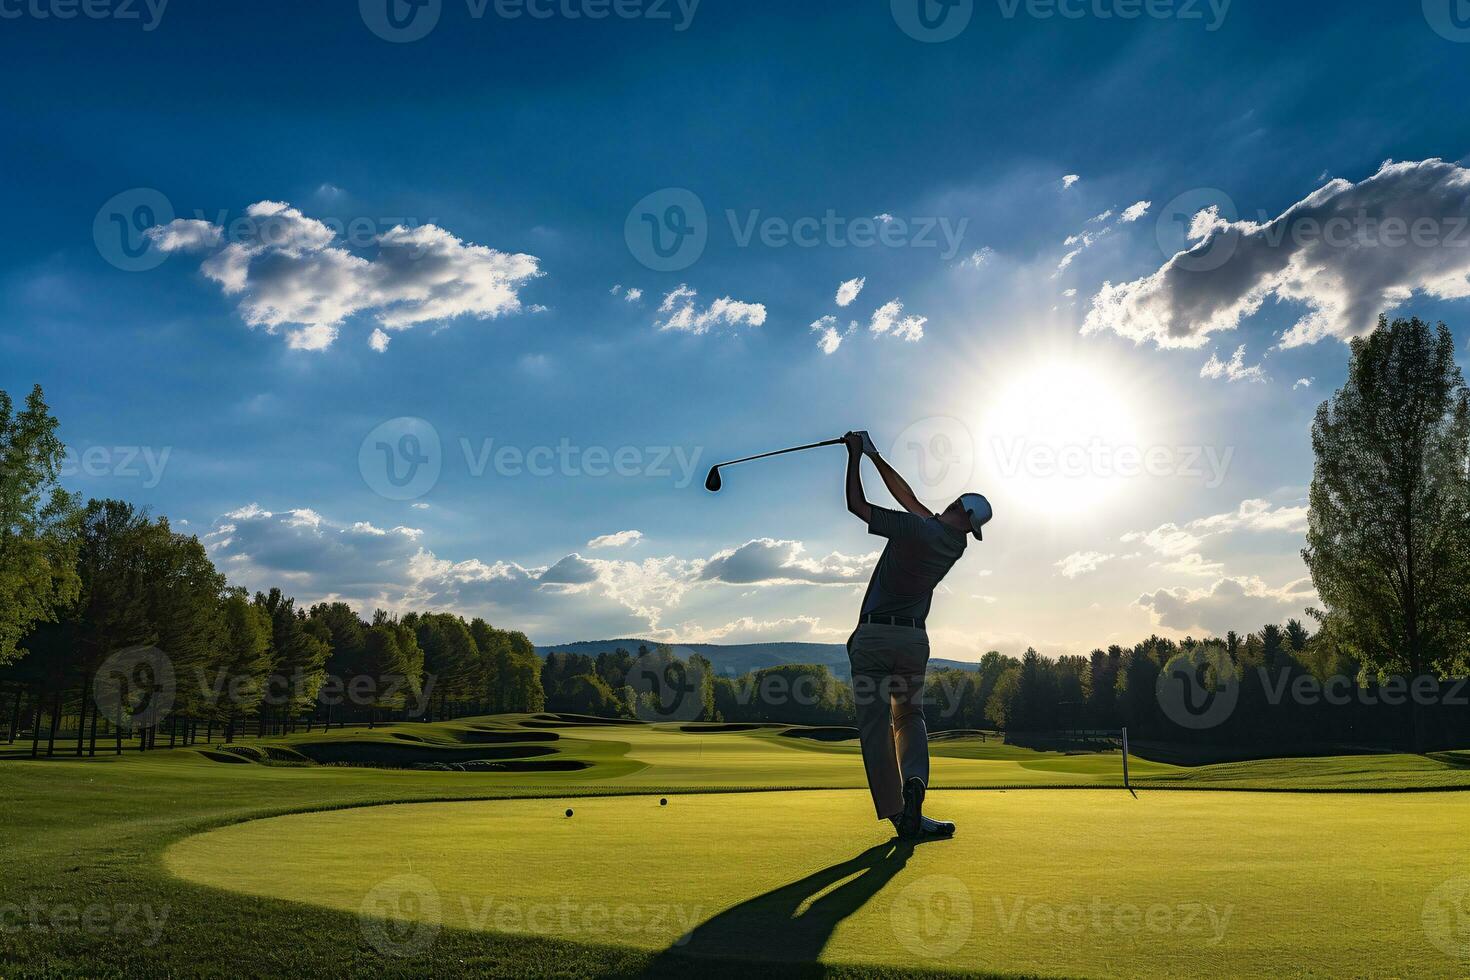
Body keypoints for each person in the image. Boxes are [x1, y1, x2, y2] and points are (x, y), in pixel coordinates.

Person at [841, 430, 992, 841]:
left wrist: (855, 456)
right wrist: (873, 453)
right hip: (912, 643)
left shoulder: (916, 528)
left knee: (876, 727)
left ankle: (898, 815)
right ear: (968, 523)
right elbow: (910, 499)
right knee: (909, 717)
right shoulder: (951, 544)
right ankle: (916, 788)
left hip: (874, 637)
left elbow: (857, 505)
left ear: (956, 507)